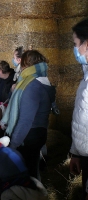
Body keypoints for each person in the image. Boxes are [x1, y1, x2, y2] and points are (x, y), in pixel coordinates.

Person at [0, 50, 55, 180]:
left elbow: (25, 120)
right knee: (32, 169)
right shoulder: (42, 80)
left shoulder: (32, 85)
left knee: (27, 172)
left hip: (29, 135)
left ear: (25, 64)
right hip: (38, 132)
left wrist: (13, 144)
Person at [69, 18, 88, 200]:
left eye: (76, 44)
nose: (75, 50)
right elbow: (82, 118)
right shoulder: (86, 74)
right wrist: (76, 152)